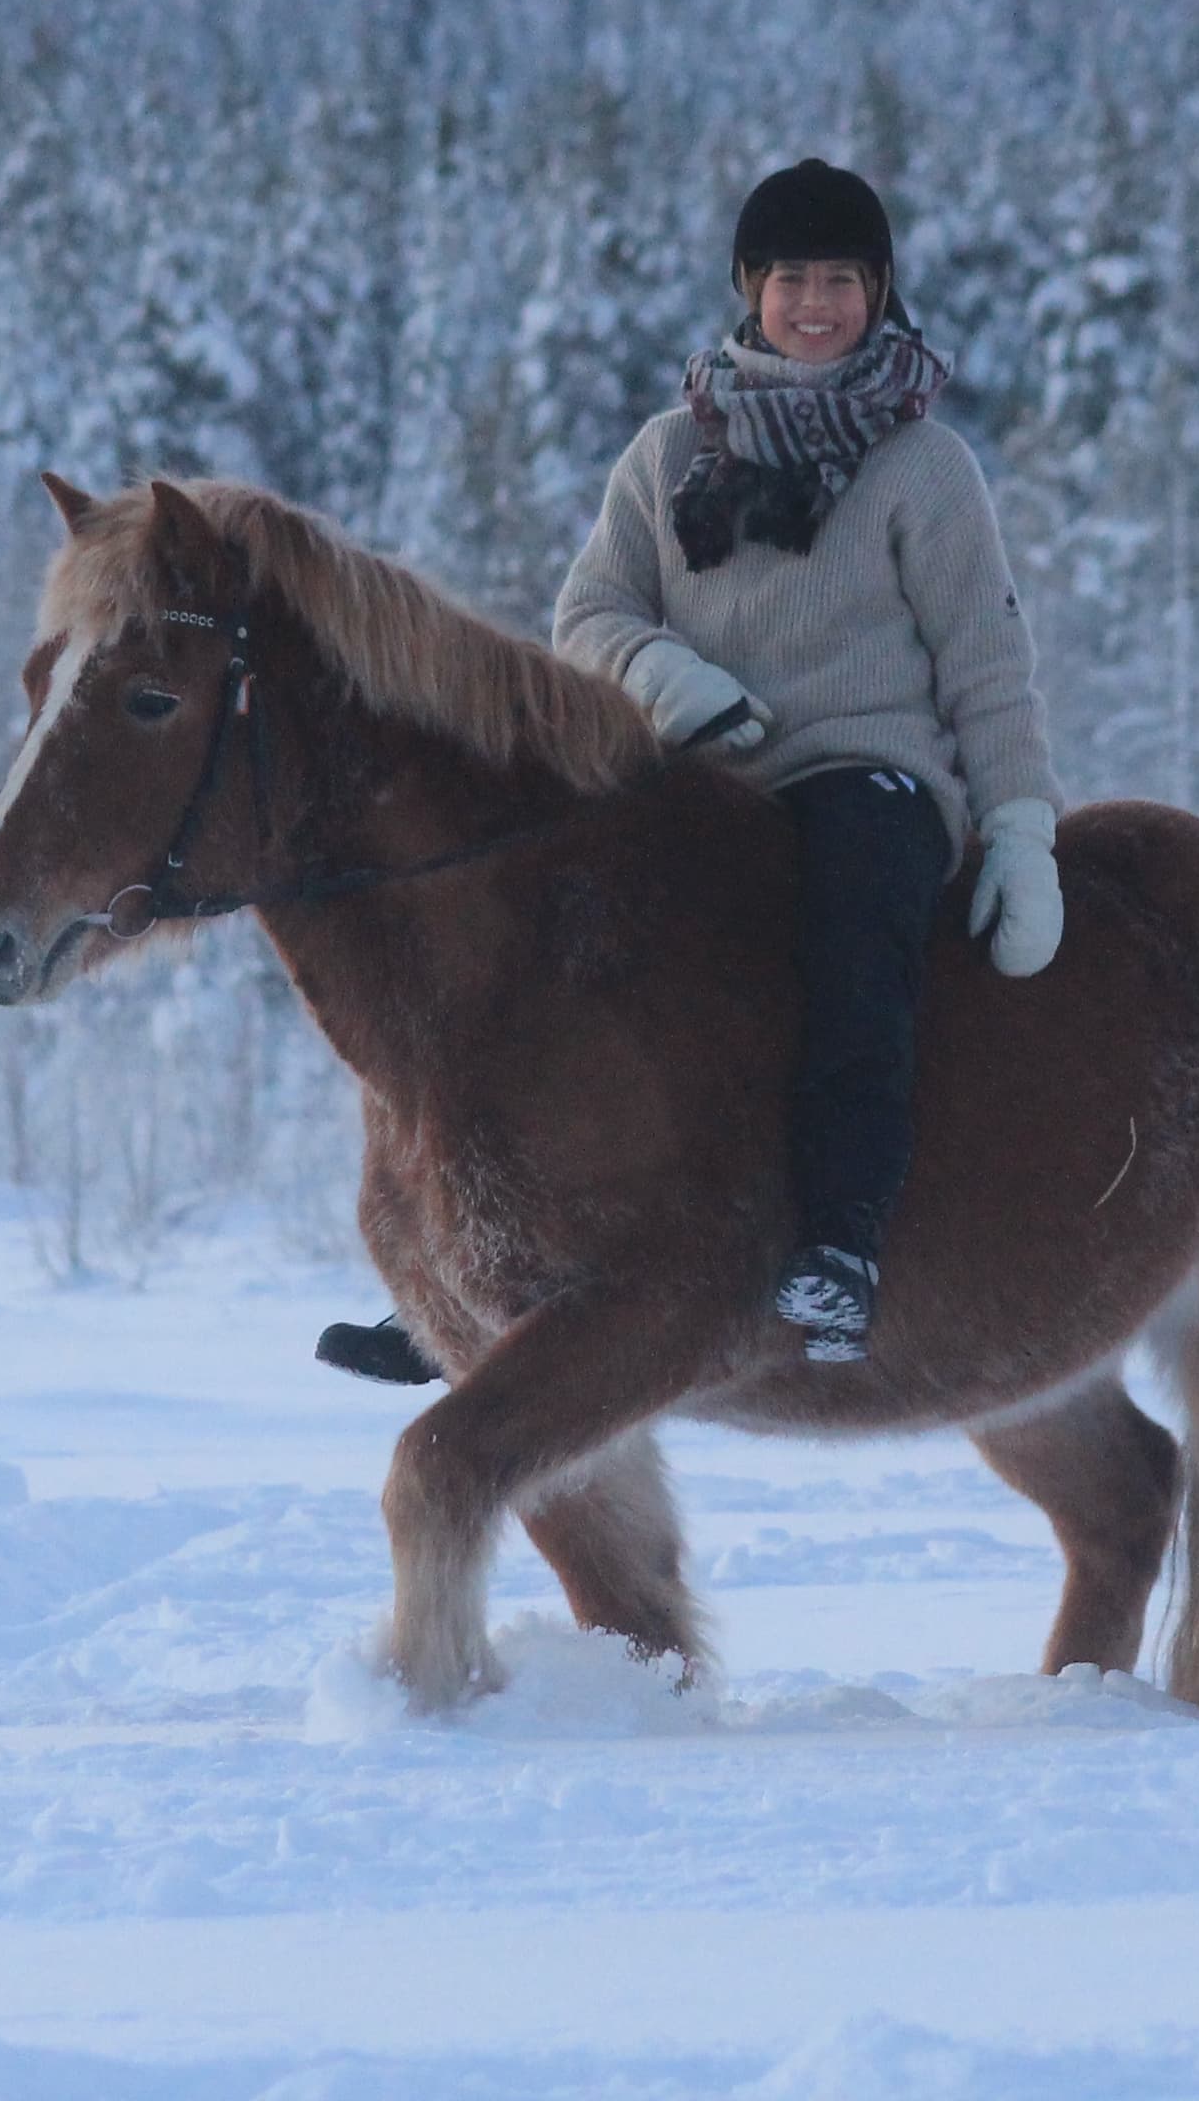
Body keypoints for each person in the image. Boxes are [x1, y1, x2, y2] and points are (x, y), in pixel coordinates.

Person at [318, 159, 1060, 1379]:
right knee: (536, 944)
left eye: (840, 281)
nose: (814, 304)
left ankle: (841, 1244)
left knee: (850, 936)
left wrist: (1023, 825)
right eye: (790, 281)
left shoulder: (926, 470)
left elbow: (988, 660)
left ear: (879, 293)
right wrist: (672, 681)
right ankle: (474, 1271)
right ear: (748, 290)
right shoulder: (671, 453)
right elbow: (591, 614)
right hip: (693, 773)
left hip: (868, 776)